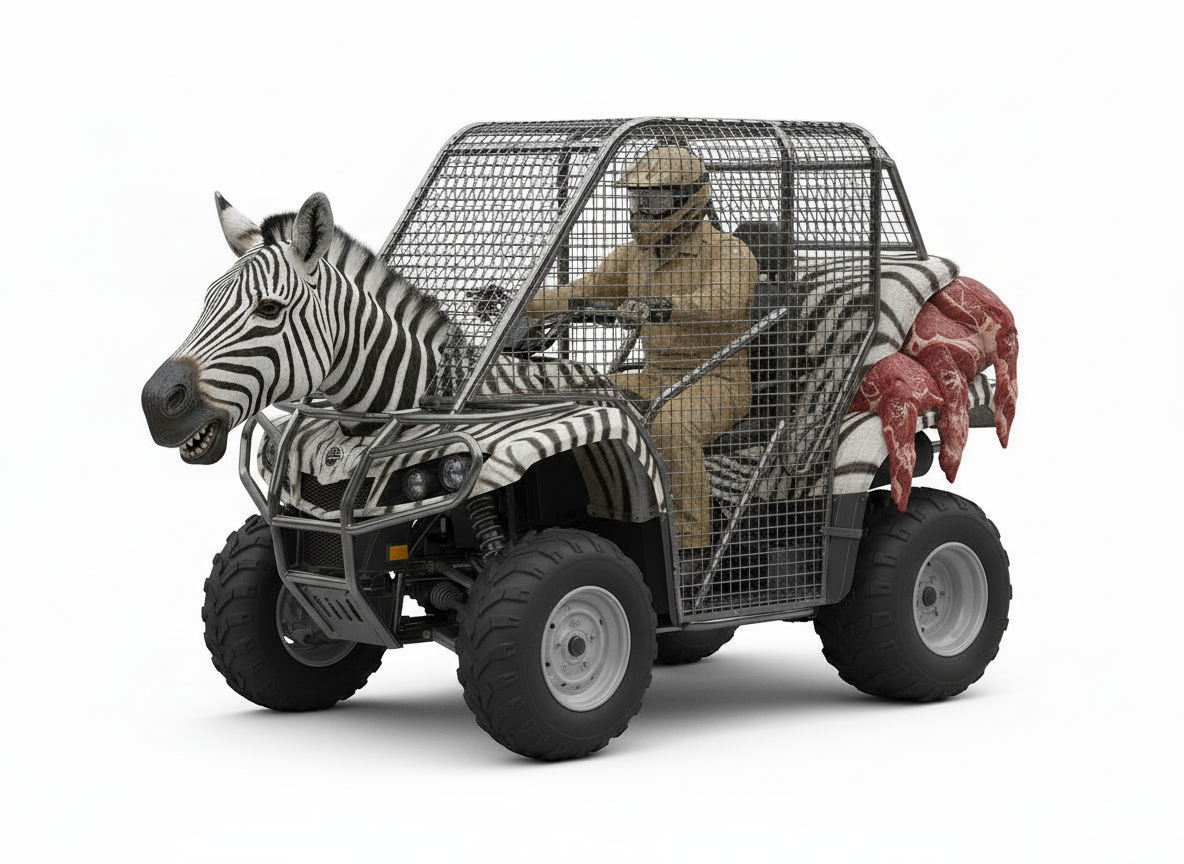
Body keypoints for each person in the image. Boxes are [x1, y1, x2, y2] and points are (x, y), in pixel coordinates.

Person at [528, 145, 758, 565]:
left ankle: (689, 550)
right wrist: (521, 305)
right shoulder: (635, 256)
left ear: (689, 201)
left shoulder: (730, 252)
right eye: (638, 199)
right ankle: (593, 519)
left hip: (718, 381)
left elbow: (723, 301)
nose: (642, 211)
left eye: (654, 199)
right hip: (655, 375)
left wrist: (663, 307)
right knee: (579, 397)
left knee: (670, 427)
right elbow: (581, 291)